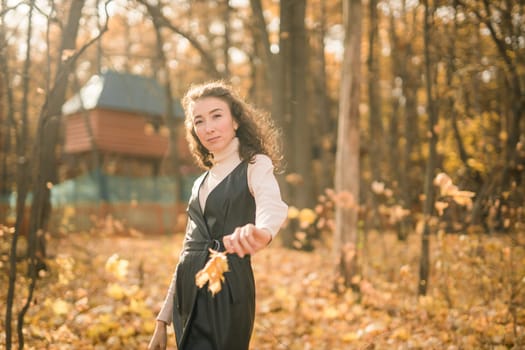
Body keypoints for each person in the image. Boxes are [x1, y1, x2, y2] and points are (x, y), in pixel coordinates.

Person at [148, 80, 288, 350]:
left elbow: (272, 205)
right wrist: (162, 320)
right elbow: (187, 252)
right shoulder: (198, 183)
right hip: (186, 299)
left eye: (216, 115)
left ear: (235, 120)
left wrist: (263, 232)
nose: (208, 127)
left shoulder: (255, 165)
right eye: (199, 121)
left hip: (227, 293)